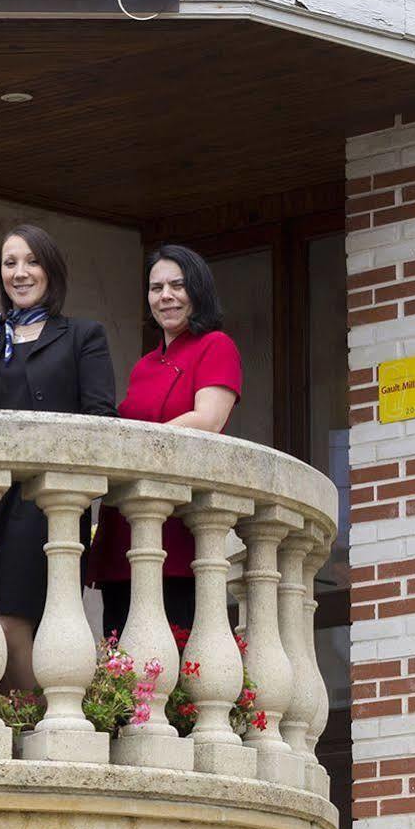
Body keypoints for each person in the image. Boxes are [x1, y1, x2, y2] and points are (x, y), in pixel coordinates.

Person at [0, 224, 115, 692]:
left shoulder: (82, 336)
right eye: (10, 263)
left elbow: (100, 417)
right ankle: (19, 735)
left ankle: (38, 731)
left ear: (51, 270)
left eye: (31, 261)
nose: (20, 272)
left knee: (14, 624)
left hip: (50, 502)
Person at [90, 244, 242, 639]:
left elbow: (207, 419)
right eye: (156, 288)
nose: (166, 296)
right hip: (124, 525)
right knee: (122, 660)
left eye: (178, 285)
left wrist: (135, 450)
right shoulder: (144, 365)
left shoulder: (216, 346)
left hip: (178, 526)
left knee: (174, 657)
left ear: (198, 290)